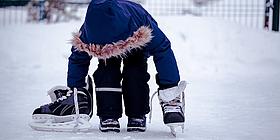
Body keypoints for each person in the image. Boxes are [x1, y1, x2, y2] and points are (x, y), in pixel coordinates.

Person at [30, 0, 186, 133]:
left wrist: (169, 88)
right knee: (107, 71)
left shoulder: (142, 22)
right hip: (107, 49)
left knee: (135, 71)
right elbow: (78, 60)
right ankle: (108, 113)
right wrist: (77, 90)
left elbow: (163, 50)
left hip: (135, 42)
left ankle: (137, 114)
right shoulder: (87, 32)